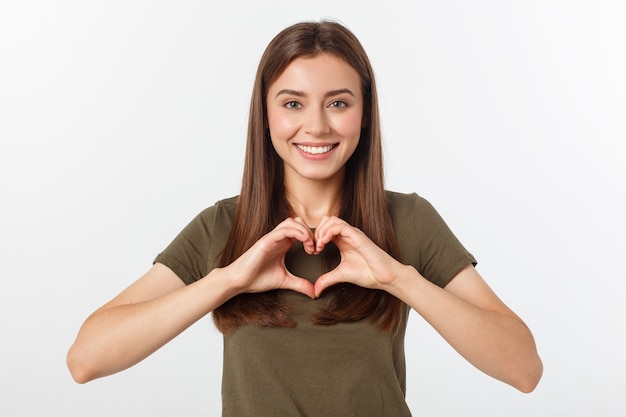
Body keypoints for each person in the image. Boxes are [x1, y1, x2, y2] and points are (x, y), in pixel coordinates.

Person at [67, 20, 542, 416]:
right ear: (266, 114)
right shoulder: (222, 227)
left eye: (338, 102)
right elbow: (86, 359)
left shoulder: (408, 219)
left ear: (364, 113)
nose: (316, 126)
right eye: (293, 103)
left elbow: (524, 369)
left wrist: (398, 278)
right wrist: (227, 281)